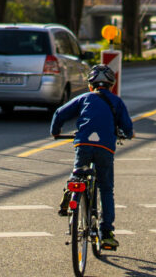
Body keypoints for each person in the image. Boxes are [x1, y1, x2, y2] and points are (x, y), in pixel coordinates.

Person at [50, 65, 134, 249]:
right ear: (111, 85)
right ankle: (106, 233)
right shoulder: (116, 101)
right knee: (105, 188)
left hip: (83, 143)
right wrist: (128, 133)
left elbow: (59, 113)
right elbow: (127, 126)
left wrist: (55, 132)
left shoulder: (83, 98)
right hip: (105, 146)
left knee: (79, 171)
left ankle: (71, 190)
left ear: (90, 85)